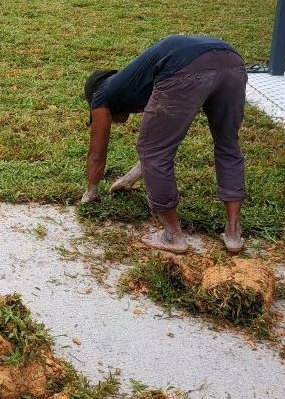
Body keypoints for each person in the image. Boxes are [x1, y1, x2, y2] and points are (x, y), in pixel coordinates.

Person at [81, 35, 247, 254]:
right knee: (228, 145)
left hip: (188, 65)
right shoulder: (140, 84)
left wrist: (91, 192)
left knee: (153, 151)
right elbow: (165, 137)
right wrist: (128, 179)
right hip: (232, 62)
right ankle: (234, 234)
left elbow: (97, 153)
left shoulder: (101, 95)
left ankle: (172, 236)